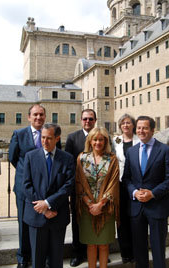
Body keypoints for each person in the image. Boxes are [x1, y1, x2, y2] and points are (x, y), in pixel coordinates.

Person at [122, 116, 169, 268]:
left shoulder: (165, 150)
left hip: (157, 206)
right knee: (139, 250)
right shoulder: (131, 152)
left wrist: (152, 193)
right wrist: (134, 192)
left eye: (145, 128)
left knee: (158, 249)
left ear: (153, 130)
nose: (141, 131)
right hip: (136, 208)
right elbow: (126, 178)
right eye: (139, 128)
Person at [23, 123, 75, 268]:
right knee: (37, 261)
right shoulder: (30, 157)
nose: (45, 141)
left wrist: (48, 203)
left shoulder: (67, 159)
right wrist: (44, 208)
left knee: (56, 261)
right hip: (36, 216)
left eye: (49, 138)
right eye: (43, 137)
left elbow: (68, 186)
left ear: (57, 138)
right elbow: (26, 185)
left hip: (57, 216)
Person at [75, 127, 119, 268]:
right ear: (90, 141)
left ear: (105, 141)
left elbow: (114, 183)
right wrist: (89, 204)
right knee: (91, 244)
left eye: (101, 139)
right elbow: (78, 183)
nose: (98, 142)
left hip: (105, 207)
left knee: (104, 245)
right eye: (95, 139)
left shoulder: (112, 159)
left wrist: (101, 204)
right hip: (87, 208)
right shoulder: (82, 158)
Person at [9, 104, 46, 268]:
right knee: (24, 223)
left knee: (43, 222)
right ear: (29, 117)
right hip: (24, 187)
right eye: (35, 115)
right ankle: (23, 258)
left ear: (45, 117)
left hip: (44, 188)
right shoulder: (19, 134)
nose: (38, 117)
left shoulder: (49, 134)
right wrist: (27, 173)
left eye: (41, 115)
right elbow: (13, 157)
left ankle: (40, 256)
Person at [65, 109, 97, 267]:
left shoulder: (102, 136)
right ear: (81, 120)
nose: (88, 122)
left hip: (98, 187)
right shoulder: (72, 138)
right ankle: (78, 253)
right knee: (78, 221)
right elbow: (68, 163)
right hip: (78, 187)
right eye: (85, 119)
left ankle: (97, 251)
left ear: (95, 120)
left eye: (91, 119)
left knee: (96, 219)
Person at [112, 113, 139, 264]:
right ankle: (125, 253)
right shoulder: (116, 140)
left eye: (128, 123)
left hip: (135, 183)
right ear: (120, 126)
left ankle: (136, 251)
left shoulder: (138, 140)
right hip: (120, 183)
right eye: (123, 123)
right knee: (121, 218)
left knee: (134, 218)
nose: (126, 125)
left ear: (133, 125)